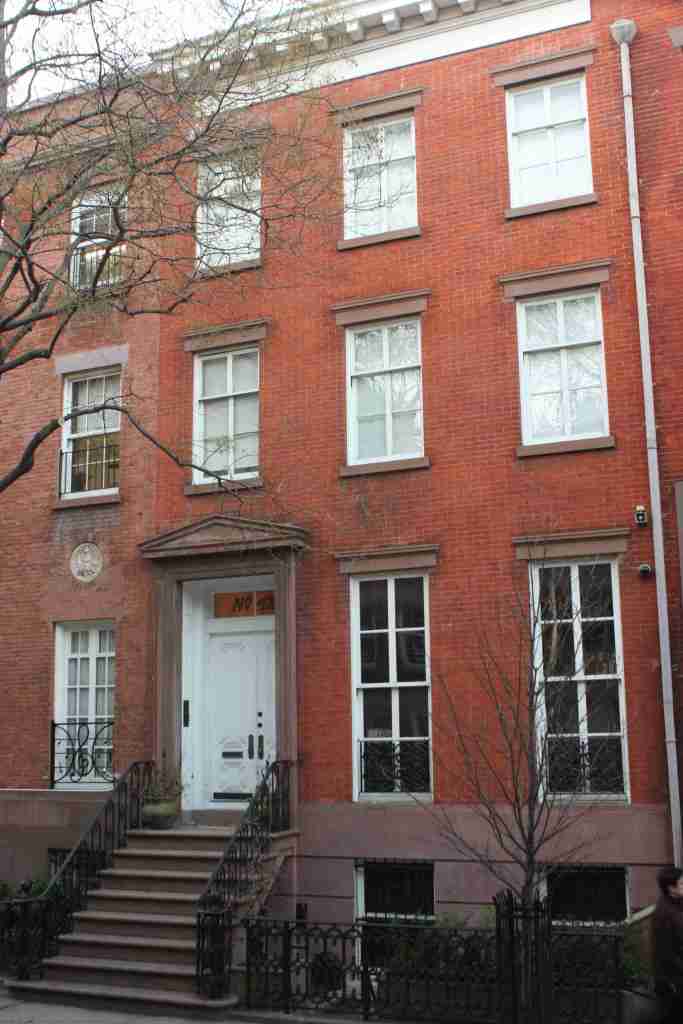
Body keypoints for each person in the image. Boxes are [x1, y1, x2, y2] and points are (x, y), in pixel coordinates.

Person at [654, 865, 683, 1022]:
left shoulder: (678, 905)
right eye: (682, 883)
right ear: (671, 888)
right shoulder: (663, 913)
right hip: (673, 983)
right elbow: (666, 953)